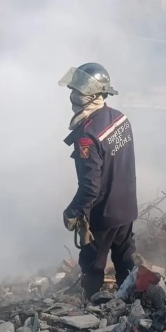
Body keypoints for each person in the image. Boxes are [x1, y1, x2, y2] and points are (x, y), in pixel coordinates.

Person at [59, 62, 139, 300]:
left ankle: (90, 308)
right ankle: (130, 302)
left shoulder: (87, 135)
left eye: (78, 93)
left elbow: (90, 185)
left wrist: (74, 211)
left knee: (92, 264)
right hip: (126, 206)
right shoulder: (120, 118)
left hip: (103, 214)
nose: (73, 97)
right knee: (125, 259)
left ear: (93, 95)